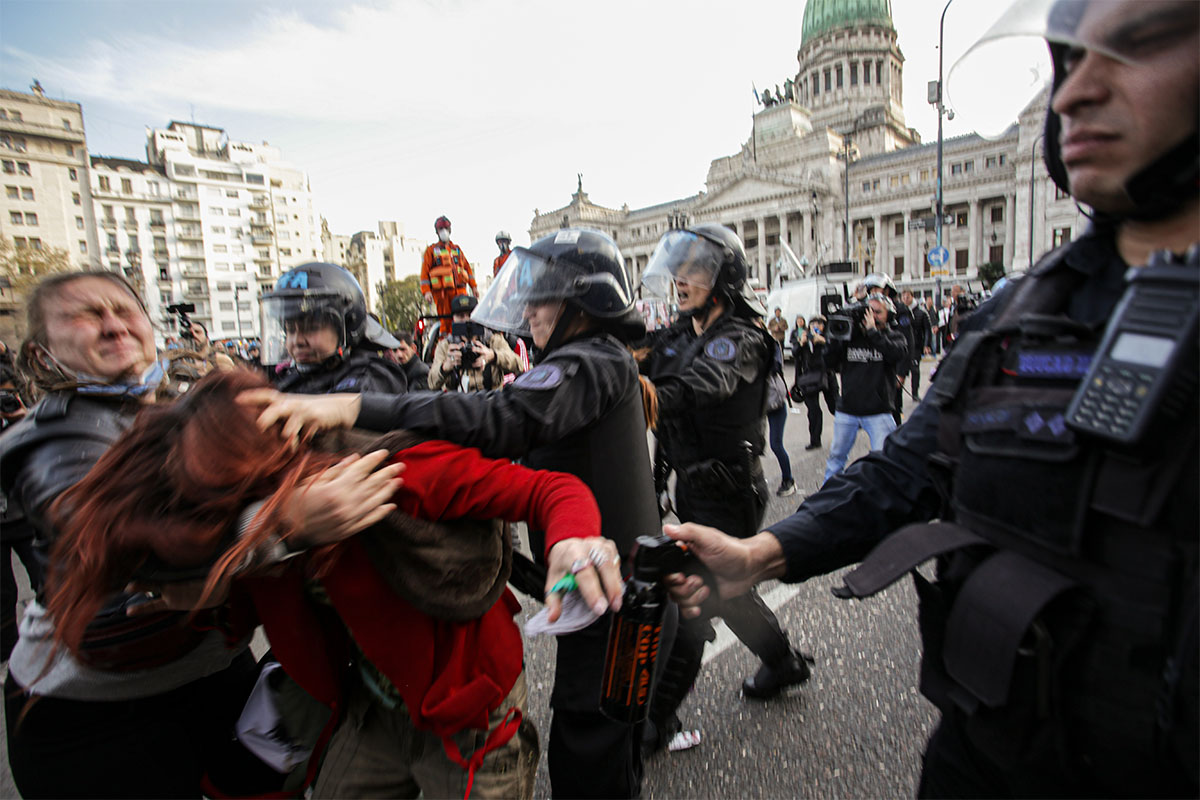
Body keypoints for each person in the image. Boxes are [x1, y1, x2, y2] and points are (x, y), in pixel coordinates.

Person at [663, 1, 1199, 795]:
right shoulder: (1022, 310)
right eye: (1070, 60)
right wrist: (761, 554)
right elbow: (909, 469)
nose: (1075, 92)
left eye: (1139, 46)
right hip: (990, 744)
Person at [45, 368, 623, 800]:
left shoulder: (381, 473)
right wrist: (197, 589)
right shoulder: (252, 523)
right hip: (370, 710)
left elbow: (547, 489)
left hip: (467, 715)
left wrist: (572, 539)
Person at [242, 228, 660, 799]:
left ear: (582, 304)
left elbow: (500, 417)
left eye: (543, 296)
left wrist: (356, 406)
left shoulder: (593, 359)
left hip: (616, 597)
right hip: (593, 587)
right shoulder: (586, 359)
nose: (529, 308)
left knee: (592, 765)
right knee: (590, 748)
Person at [0, 271, 399, 799]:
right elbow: (119, 541)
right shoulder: (50, 438)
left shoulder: (173, 405)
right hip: (98, 712)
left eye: (125, 310)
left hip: (211, 672)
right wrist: (284, 523)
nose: (113, 325)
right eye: (85, 315)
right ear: (40, 355)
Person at [638, 224, 812, 754]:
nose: (680, 278)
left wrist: (640, 390)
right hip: (690, 487)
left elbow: (700, 387)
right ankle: (782, 663)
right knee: (728, 590)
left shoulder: (743, 337)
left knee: (694, 603)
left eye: (693, 269)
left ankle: (654, 723)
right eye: (679, 268)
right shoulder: (678, 333)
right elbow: (636, 356)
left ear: (721, 277)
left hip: (730, 490)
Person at [262, 262, 408, 395]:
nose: (297, 341)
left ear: (347, 325)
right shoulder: (290, 380)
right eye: (291, 330)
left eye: (311, 328)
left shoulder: (375, 378)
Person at [821, 294, 908, 483]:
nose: (872, 316)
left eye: (878, 312)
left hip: (879, 410)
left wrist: (872, 332)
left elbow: (897, 354)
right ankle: (828, 497)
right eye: (870, 311)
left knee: (884, 462)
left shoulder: (894, 336)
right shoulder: (851, 336)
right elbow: (828, 361)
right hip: (848, 409)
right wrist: (836, 339)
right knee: (836, 458)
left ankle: (881, 500)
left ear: (889, 315)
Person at [0, 362, 40, 663]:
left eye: (9, 395)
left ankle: (58, 637)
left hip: (25, 517)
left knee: (46, 580)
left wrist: (23, 419)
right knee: (3, 594)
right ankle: (9, 653)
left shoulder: (28, 421)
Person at [429, 294, 524, 392]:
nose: (466, 320)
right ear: (453, 319)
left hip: (489, 402)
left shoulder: (492, 340)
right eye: (461, 316)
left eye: (471, 315)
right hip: (458, 403)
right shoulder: (445, 346)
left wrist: (493, 356)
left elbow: (519, 365)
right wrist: (445, 367)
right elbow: (432, 383)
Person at [862, 274, 912, 426]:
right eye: (871, 290)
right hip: (874, 366)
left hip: (892, 364)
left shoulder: (900, 310)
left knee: (894, 404)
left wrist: (902, 372)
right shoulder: (868, 307)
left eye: (878, 289)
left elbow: (907, 342)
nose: (874, 293)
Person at [420, 215, 477, 326]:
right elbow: (424, 274)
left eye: (446, 228)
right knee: (446, 322)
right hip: (442, 294)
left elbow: (467, 269)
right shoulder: (431, 251)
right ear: (437, 232)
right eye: (441, 229)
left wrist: (473, 287)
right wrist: (426, 292)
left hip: (461, 292)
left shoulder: (456, 249)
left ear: (450, 230)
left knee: (464, 319)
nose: (444, 231)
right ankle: (445, 341)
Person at [795, 315, 838, 451]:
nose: (816, 326)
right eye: (813, 323)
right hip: (810, 377)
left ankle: (851, 425)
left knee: (835, 404)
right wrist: (801, 344)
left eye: (819, 323)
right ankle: (815, 440)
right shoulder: (804, 337)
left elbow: (837, 354)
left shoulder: (829, 337)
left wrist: (824, 342)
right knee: (813, 410)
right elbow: (796, 356)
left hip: (827, 374)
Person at [901, 289, 932, 400]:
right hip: (902, 345)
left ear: (912, 297)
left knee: (915, 369)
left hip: (916, 346)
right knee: (900, 371)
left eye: (907, 297)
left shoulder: (921, 312)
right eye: (903, 297)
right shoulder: (899, 312)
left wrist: (926, 345)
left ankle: (915, 393)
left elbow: (927, 330)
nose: (905, 299)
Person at [787, 314, 807, 388]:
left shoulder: (806, 330)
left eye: (801, 321)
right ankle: (798, 383)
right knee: (797, 368)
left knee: (805, 367)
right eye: (798, 321)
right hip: (797, 351)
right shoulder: (794, 331)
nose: (800, 323)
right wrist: (797, 341)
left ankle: (805, 381)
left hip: (804, 351)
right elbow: (791, 340)